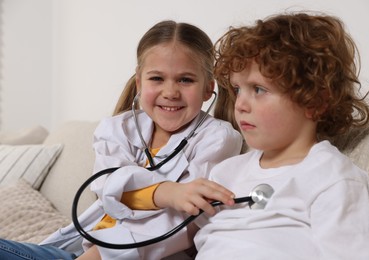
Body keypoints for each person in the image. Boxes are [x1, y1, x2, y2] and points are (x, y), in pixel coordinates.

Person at [0, 20, 242, 259]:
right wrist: (168, 193)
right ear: (139, 82)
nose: (170, 92)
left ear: (208, 88)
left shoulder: (217, 138)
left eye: (185, 79)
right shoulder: (118, 129)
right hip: (81, 249)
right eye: (157, 78)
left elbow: (183, 222)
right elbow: (107, 187)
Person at [154, 12, 369, 259]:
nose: (239, 104)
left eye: (259, 89)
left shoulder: (332, 178)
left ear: (314, 101)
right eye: (238, 89)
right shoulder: (225, 173)